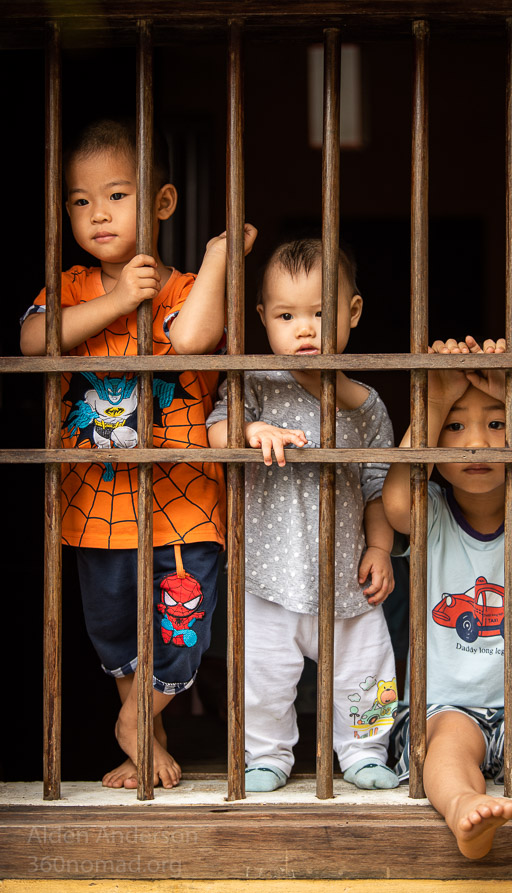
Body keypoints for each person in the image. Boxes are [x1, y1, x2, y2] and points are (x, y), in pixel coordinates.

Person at [20, 118, 257, 790]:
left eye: (116, 195)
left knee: (182, 631)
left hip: (184, 502)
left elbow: (193, 341)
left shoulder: (183, 291)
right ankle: (141, 741)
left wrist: (216, 257)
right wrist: (121, 296)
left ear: (161, 202)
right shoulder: (66, 286)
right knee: (114, 637)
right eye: (79, 200)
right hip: (94, 501)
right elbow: (35, 341)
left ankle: (132, 722)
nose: (96, 214)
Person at [382, 335, 512, 863]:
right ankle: (463, 809)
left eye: (498, 422)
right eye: (456, 424)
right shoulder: (428, 515)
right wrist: (432, 398)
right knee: (447, 745)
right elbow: (397, 499)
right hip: (444, 707)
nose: (477, 441)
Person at [207, 238, 400, 792]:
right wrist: (250, 432)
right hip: (270, 576)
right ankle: (266, 755)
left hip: (345, 577)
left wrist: (380, 547)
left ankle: (365, 749)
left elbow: (377, 488)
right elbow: (215, 431)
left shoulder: (367, 405)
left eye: (321, 313)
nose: (305, 329)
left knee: (369, 673)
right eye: (288, 315)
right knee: (261, 679)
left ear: (353, 313)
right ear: (263, 318)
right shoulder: (256, 384)